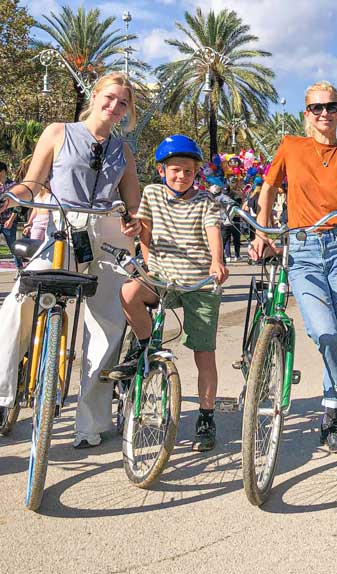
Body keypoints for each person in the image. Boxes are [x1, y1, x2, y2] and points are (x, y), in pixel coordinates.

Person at [0, 72, 143, 450]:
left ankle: (92, 422)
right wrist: (8, 197)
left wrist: (135, 219)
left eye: (123, 103)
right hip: (62, 227)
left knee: (108, 325)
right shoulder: (59, 132)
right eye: (109, 98)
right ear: (95, 96)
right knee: (20, 302)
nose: (114, 107)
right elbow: (33, 182)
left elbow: (132, 203)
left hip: (106, 232)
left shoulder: (123, 151)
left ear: (128, 111)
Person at [249, 81, 337, 453]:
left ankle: (331, 419)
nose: (324, 114)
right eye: (316, 108)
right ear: (306, 113)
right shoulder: (290, 146)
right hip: (301, 249)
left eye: (331, 107)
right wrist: (261, 231)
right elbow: (268, 189)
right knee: (325, 332)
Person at [111, 135, 228, 452]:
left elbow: (213, 232)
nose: (181, 176)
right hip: (162, 277)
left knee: (204, 354)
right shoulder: (151, 194)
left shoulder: (206, 201)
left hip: (199, 284)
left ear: (195, 174)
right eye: (175, 170)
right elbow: (144, 231)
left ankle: (206, 416)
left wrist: (217, 262)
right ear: (162, 171)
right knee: (129, 292)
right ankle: (145, 347)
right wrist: (147, 263)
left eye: (188, 171)